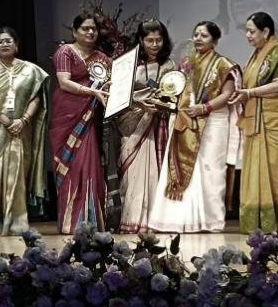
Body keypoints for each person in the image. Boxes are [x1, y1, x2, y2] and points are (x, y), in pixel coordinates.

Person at [148, 21, 242, 232]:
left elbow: (227, 95)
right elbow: (178, 91)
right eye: (196, 34)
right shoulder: (186, 63)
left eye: (204, 35)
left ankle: (210, 221)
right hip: (186, 120)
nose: (198, 38)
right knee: (181, 167)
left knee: (210, 171)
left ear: (215, 40)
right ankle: (178, 220)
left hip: (213, 122)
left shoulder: (225, 65)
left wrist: (204, 107)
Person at [0, 27, 49, 235]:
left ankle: (17, 223)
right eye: (1, 41)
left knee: (17, 175)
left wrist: (23, 120)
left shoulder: (31, 70)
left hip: (20, 130)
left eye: (9, 41)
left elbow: (36, 98)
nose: (5, 44)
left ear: (16, 45)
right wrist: (4, 119)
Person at [229, 12, 278, 233]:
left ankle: (277, 220)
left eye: (252, 31)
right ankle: (257, 221)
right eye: (247, 31)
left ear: (266, 31)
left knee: (272, 169)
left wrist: (249, 93)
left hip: (272, 121)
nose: (248, 35)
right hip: (254, 120)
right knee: (254, 171)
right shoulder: (255, 56)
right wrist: (243, 95)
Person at [114, 20, 177, 233]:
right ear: (141, 40)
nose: (155, 44)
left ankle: (156, 220)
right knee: (134, 174)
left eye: (159, 40)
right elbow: (118, 96)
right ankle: (134, 220)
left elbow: (176, 95)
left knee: (156, 172)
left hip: (159, 125)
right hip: (133, 125)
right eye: (150, 40)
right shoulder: (129, 65)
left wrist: (162, 104)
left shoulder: (169, 66)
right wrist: (141, 104)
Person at [50, 16, 110, 234]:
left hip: (91, 117)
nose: (91, 32)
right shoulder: (65, 52)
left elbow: (112, 83)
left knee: (90, 163)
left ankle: (91, 221)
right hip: (68, 116)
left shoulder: (102, 58)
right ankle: (72, 222)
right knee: (72, 166)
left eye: (94, 29)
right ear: (75, 31)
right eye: (85, 28)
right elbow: (64, 82)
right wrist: (92, 91)